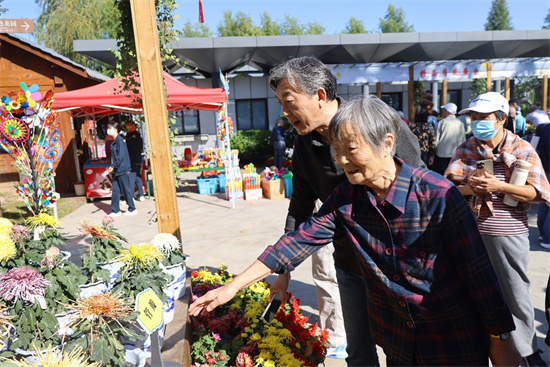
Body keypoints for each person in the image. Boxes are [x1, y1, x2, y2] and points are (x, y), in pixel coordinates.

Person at [189, 96, 520, 367]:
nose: (342, 160)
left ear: (387, 143)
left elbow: (479, 276)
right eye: (337, 149)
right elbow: (297, 242)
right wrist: (229, 289)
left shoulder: (438, 195)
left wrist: (501, 339)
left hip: (451, 342)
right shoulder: (347, 198)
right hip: (398, 341)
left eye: (351, 148)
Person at [267, 56, 424, 365]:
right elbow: (300, 208)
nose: (284, 113)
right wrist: (282, 272)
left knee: (402, 351)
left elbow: (419, 186)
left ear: (320, 96)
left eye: (289, 102)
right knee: (359, 353)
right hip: (350, 265)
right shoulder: (304, 144)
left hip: (395, 265)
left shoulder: (374, 119)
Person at [445, 92, 550, 367]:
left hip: (509, 234)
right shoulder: (465, 149)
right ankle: (483, 349)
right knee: (472, 293)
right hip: (470, 233)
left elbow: (539, 193)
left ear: (501, 119)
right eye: (474, 117)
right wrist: (471, 188)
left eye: (484, 118)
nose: (478, 122)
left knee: (515, 293)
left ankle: (528, 351)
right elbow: (447, 191)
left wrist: (500, 186)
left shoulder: (522, 148)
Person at [105, 122, 137, 217]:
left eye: (109, 128)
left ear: (115, 129)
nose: (108, 130)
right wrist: (113, 165)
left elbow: (120, 156)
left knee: (125, 189)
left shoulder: (119, 140)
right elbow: (115, 157)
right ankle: (115, 210)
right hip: (117, 169)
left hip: (122, 169)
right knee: (115, 190)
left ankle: (132, 208)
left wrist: (113, 165)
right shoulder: (115, 141)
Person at [432, 102, 465, 175]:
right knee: (453, 175)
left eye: (444, 110)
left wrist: (433, 152)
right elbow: (463, 140)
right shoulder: (460, 123)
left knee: (440, 175)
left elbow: (436, 139)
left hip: (441, 153)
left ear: (447, 111)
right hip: (455, 153)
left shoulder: (442, 122)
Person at [124, 121, 145, 201]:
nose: (127, 128)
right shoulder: (134, 136)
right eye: (126, 127)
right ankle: (141, 194)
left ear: (133, 127)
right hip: (136, 160)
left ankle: (131, 197)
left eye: (128, 126)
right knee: (137, 177)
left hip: (132, 160)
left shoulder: (133, 137)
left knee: (131, 178)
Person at [538, 123, 550, 249]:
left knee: (544, 201)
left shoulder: (546, 126)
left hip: (545, 168)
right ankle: (547, 237)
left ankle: (543, 232)